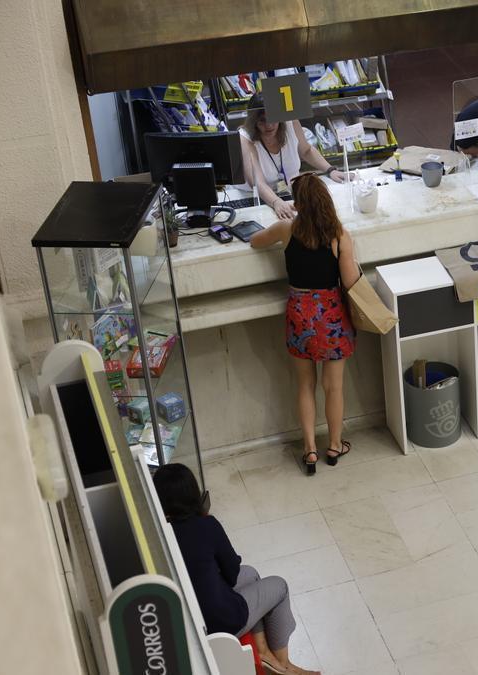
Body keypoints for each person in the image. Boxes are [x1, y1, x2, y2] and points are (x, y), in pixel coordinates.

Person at [153, 464, 321, 675]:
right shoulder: (206, 525)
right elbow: (232, 573)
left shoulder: (159, 536)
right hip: (220, 623)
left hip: (189, 622)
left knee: (250, 573)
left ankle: (263, 653)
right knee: (280, 586)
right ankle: (284, 666)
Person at [251, 174, 360, 473]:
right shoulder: (339, 234)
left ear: (298, 204)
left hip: (299, 312)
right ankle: (335, 446)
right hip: (332, 315)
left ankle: (310, 449)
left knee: (305, 384)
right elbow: (350, 281)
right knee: (333, 386)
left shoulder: (287, 229)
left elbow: (255, 241)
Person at [239, 93, 352, 221]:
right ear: (254, 122)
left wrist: (330, 170)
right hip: (252, 199)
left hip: (287, 194)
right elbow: (257, 182)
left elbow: (306, 151)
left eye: (272, 118)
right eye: (262, 121)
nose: (269, 125)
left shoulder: (290, 123)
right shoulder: (245, 137)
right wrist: (276, 202)